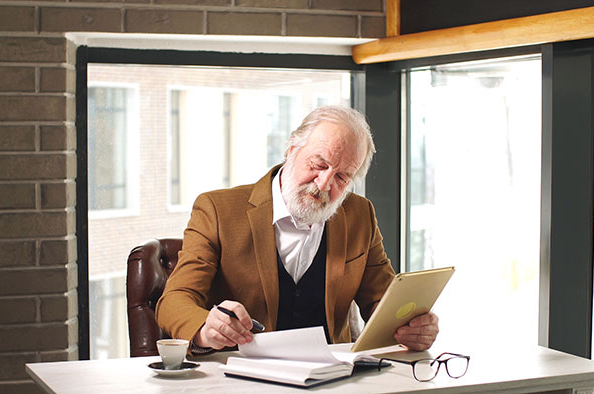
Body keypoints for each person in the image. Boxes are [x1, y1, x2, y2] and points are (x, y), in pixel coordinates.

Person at [156, 106, 439, 353]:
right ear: (291, 149)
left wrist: (414, 327)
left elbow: (383, 303)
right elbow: (175, 300)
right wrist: (206, 329)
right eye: (318, 164)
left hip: (333, 377)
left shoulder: (360, 214)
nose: (325, 183)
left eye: (342, 176)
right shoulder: (217, 209)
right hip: (243, 375)